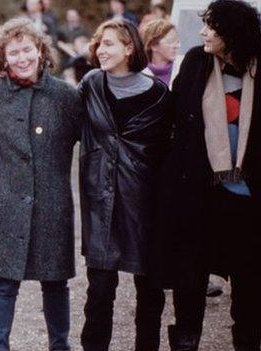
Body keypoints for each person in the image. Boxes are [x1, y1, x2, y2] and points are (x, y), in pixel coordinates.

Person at [0, 17, 84, 351]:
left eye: (27, 50)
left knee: (55, 283)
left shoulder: (65, 95)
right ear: (3, 58)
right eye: (13, 52)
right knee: (3, 283)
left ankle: (59, 345)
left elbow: (93, 141)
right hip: (5, 202)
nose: (21, 58)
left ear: (40, 51)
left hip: (52, 204)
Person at [154, 1, 261, 349]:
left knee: (250, 291)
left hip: (249, 204)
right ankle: (186, 343)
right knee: (189, 284)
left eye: (210, 27)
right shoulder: (196, 65)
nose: (202, 33)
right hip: (200, 198)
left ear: (232, 33)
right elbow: (173, 121)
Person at [78, 19, 171, 351]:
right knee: (99, 291)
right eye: (100, 43)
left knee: (149, 289)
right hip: (100, 200)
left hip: (144, 203)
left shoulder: (160, 96)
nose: (101, 50)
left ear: (129, 48)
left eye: (109, 44)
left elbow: (168, 154)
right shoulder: (90, 85)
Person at [141, 19, 180, 86]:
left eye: (177, 41)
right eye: (170, 41)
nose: (177, 46)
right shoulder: (137, 74)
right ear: (153, 45)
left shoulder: (182, 69)